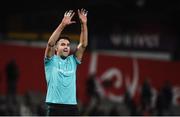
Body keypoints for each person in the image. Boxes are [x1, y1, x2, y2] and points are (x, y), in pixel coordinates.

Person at [44, 8, 88, 116]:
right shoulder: (50, 60)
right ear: (56, 48)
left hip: (72, 108)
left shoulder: (73, 60)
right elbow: (50, 43)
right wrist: (62, 25)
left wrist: (84, 24)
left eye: (68, 45)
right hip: (54, 107)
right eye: (63, 44)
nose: (66, 47)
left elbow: (83, 45)